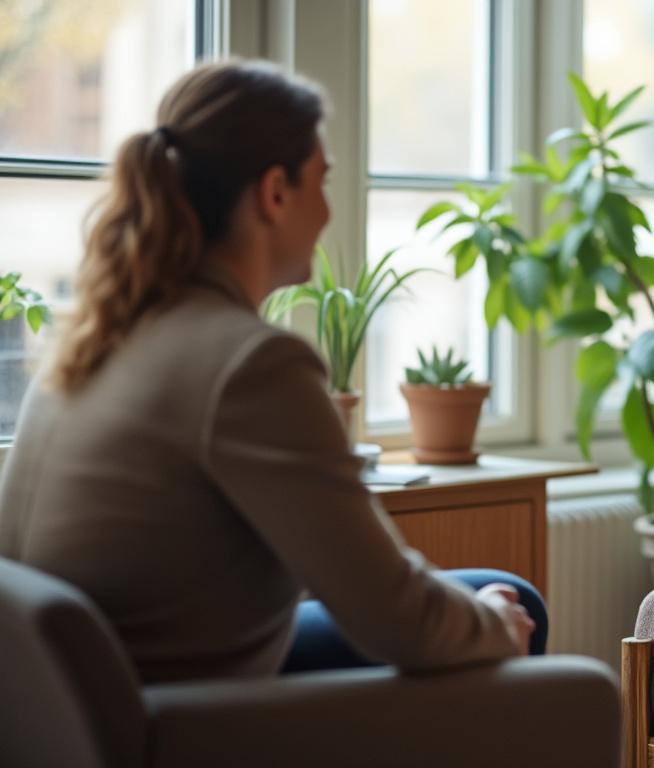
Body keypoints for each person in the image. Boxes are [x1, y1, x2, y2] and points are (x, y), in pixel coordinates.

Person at [0, 59, 539, 683]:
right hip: (191, 721)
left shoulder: (97, 341)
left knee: (490, 590)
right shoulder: (252, 365)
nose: (330, 213)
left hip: (86, 707)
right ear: (275, 192)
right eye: (323, 183)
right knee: (513, 610)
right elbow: (402, 621)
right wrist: (494, 624)